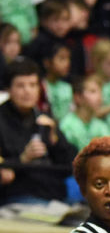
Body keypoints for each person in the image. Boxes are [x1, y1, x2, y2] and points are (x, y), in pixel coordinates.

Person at [0, 58, 78, 208]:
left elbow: (71, 164)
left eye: (33, 85)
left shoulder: (44, 118)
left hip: (54, 193)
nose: (27, 91)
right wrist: (23, 159)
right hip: (18, 195)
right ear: (9, 90)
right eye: (20, 86)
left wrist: (55, 141)